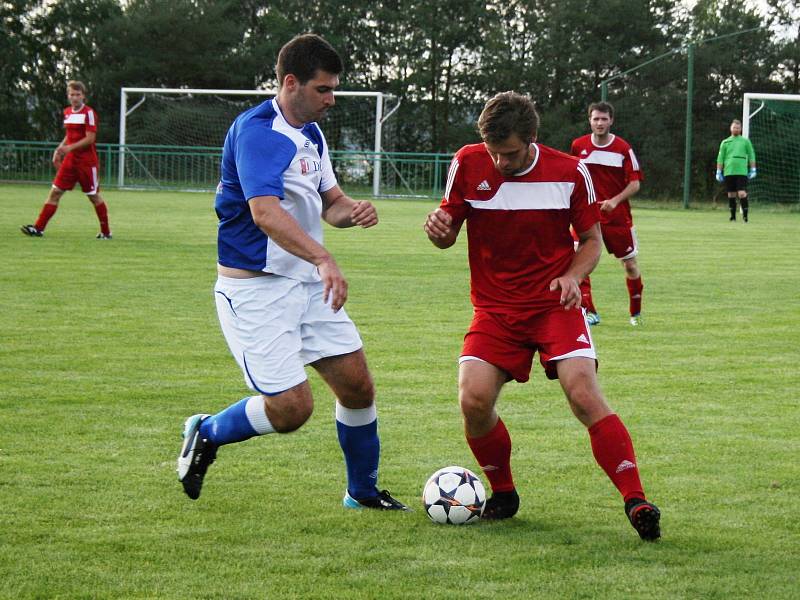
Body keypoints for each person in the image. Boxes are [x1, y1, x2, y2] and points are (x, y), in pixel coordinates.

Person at [177, 33, 408, 511]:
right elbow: (263, 212)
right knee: (291, 410)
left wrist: (354, 211)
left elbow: (331, 205)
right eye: (323, 89)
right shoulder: (259, 133)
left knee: (358, 387)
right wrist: (324, 258)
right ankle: (208, 431)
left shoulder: (312, 134)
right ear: (291, 83)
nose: (332, 98)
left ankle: (361, 493)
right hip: (255, 292)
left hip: (306, 286)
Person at [424, 91, 661, 540]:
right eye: (493, 151)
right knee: (472, 401)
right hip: (495, 310)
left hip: (556, 306)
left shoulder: (570, 172)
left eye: (509, 153)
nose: (500, 161)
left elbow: (590, 240)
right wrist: (438, 230)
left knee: (583, 393)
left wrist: (573, 276)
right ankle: (505, 493)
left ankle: (636, 500)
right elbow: (447, 233)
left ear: (531, 138)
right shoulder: (468, 163)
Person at [571, 102, 644, 326]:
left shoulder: (622, 148)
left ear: (611, 120)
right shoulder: (578, 146)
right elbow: (573, 177)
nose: (600, 123)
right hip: (587, 215)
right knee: (577, 260)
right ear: (590, 121)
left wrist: (614, 200)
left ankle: (636, 314)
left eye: (604, 119)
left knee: (630, 265)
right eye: (596, 119)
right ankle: (589, 311)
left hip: (617, 216)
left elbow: (635, 183)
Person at [20, 80, 112, 239]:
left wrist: (68, 148)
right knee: (55, 192)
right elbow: (68, 136)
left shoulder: (89, 113)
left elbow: (90, 139)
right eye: (72, 94)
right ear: (68, 96)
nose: (75, 97)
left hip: (86, 162)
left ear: (83, 96)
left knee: (93, 196)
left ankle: (106, 232)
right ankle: (38, 228)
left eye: (78, 94)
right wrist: (59, 149)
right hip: (70, 162)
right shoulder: (67, 112)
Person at [716, 119, 756, 222]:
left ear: (741, 129)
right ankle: (733, 217)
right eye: (734, 127)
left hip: (741, 172)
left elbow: (751, 155)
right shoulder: (725, 142)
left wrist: (753, 169)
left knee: (741, 193)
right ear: (731, 128)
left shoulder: (745, 141)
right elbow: (720, 158)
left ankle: (745, 217)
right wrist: (718, 171)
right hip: (729, 171)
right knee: (731, 194)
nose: (736, 129)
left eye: (738, 128)